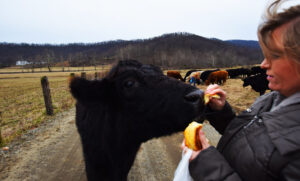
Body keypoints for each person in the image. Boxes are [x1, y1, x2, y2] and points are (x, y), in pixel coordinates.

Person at [181, 0, 300, 180]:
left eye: (274, 55)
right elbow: (251, 141)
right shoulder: (272, 99)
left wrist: (207, 165)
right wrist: (221, 111)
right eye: (264, 55)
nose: (263, 64)